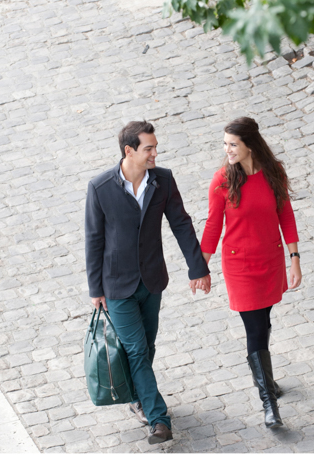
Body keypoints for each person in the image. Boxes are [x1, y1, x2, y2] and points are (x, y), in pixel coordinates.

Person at [85, 121, 212, 444]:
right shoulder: (100, 188)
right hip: (117, 286)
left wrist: (197, 268)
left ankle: (138, 396)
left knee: (147, 345)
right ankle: (159, 420)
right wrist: (95, 289)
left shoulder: (163, 181)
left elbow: (181, 224)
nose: (155, 153)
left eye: (155, 147)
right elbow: (94, 240)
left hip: (152, 280)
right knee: (138, 350)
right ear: (129, 151)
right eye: (149, 149)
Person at [200, 117, 302, 428]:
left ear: (249, 145)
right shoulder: (222, 181)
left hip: (269, 261)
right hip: (239, 266)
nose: (227, 150)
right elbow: (213, 225)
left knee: (264, 321)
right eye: (225, 144)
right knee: (255, 328)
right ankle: (268, 403)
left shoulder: (274, 172)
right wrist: (199, 266)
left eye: (233, 144)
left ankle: (267, 382)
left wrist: (294, 258)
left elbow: (284, 212)